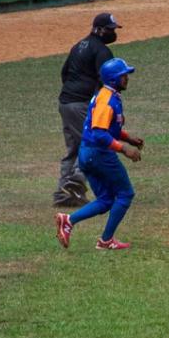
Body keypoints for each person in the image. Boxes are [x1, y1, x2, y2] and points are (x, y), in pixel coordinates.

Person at [55, 58, 143, 251]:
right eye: (123, 76)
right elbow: (99, 132)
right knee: (125, 194)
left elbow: (109, 126)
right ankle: (106, 240)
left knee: (105, 200)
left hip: (88, 153)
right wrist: (124, 149)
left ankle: (68, 220)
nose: (127, 78)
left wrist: (128, 138)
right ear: (113, 80)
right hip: (99, 154)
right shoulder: (107, 100)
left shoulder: (106, 94)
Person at [55, 12, 123, 207]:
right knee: (92, 144)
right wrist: (99, 106)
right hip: (80, 104)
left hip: (66, 103)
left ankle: (65, 194)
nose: (113, 33)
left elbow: (64, 72)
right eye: (110, 29)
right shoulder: (102, 51)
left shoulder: (79, 46)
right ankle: (73, 185)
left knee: (73, 148)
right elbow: (107, 82)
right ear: (99, 29)